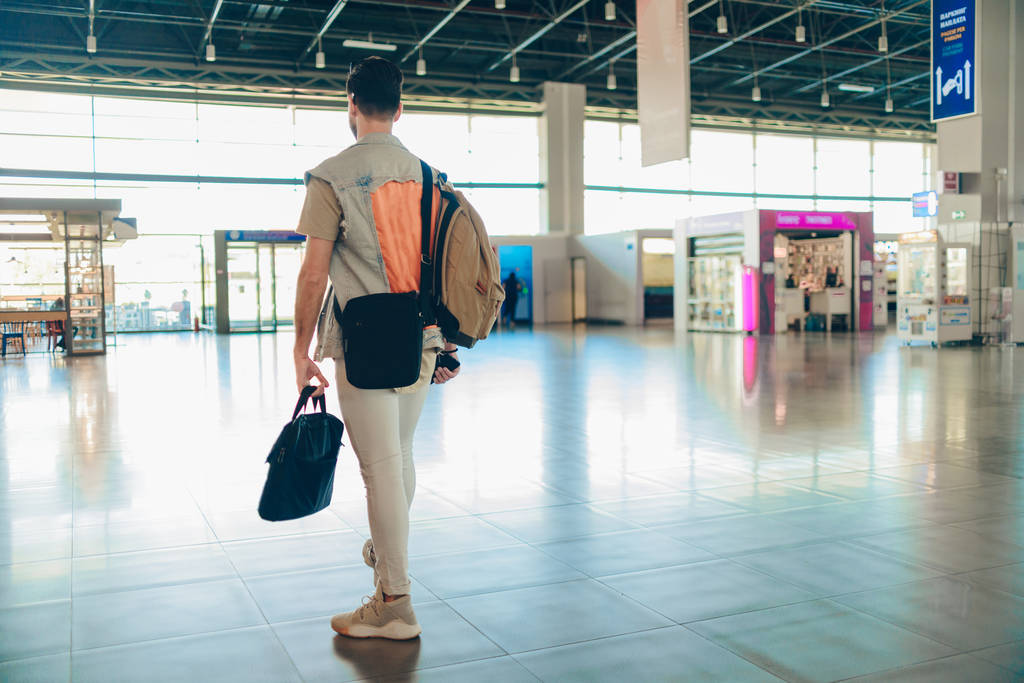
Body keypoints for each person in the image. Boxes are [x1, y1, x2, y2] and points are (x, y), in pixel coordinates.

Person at [291, 56, 459, 641]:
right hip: (422, 338)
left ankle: (395, 603)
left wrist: (299, 350)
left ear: (352, 104)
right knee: (401, 455)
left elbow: (314, 275)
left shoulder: (330, 175)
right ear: (400, 106)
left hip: (364, 338)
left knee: (380, 468)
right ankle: (389, 555)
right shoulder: (433, 177)